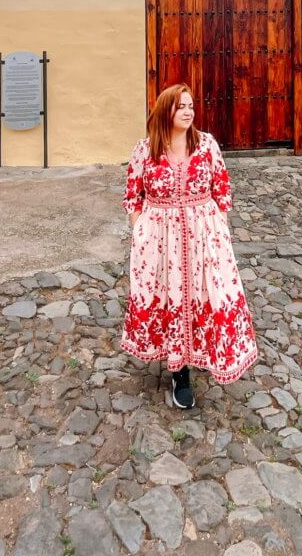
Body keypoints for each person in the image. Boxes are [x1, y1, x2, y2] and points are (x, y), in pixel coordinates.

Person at [119, 83, 258, 408]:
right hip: (160, 244)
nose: (188, 111)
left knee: (207, 296)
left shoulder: (206, 145)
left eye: (191, 106)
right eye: (180, 106)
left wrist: (219, 233)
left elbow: (221, 190)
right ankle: (179, 371)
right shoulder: (145, 150)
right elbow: (132, 196)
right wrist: (141, 231)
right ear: (165, 110)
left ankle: (204, 353)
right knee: (171, 298)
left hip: (204, 239)